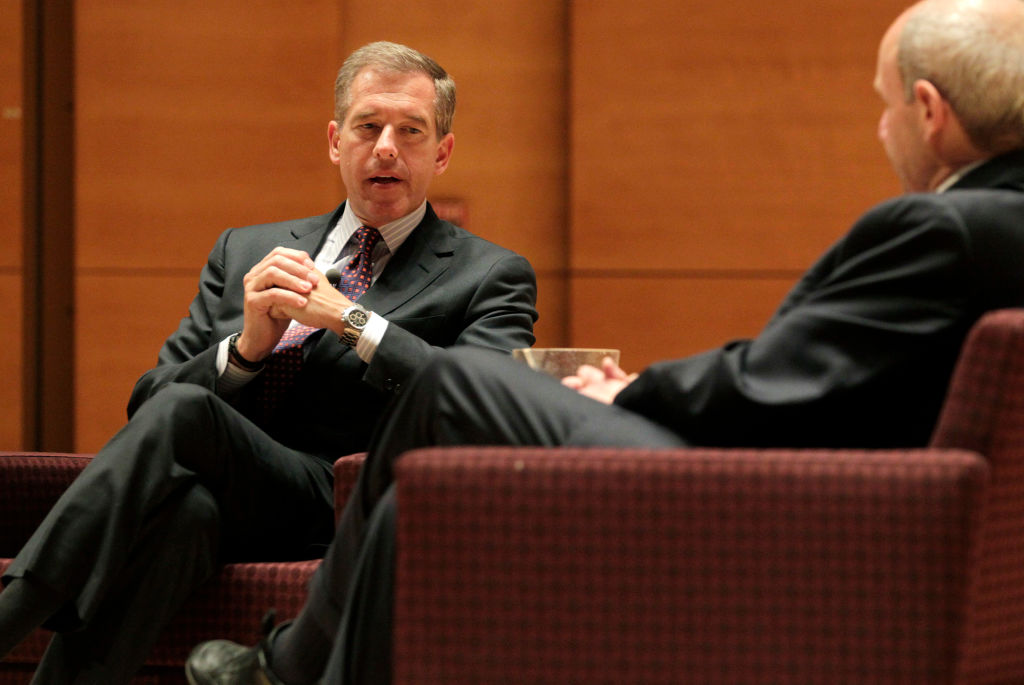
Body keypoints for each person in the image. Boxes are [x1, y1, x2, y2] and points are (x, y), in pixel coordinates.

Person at [183, 0, 1024, 683]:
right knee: (415, 505)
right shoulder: (1000, 224)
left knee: (452, 389)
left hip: (773, 491)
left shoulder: (944, 228)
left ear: (928, 111)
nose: (883, 130)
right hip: (857, 497)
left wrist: (632, 389)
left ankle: (289, 663)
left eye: (882, 105)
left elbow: (773, 382)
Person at [0, 41, 538, 683]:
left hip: (341, 503)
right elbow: (150, 405)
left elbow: (480, 405)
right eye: (369, 127)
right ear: (337, 142)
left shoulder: (490, 275)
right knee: (186, 513)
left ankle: (12, 609)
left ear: (441, 152)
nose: (386, 147)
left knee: (189, 418)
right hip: (226, 493)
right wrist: (247, 348)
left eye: (411, 131)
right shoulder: (248, 250)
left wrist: (349, 318)